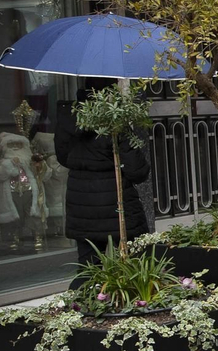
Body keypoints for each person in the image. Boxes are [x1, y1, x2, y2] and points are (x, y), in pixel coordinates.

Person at [54, 86, 151, 263]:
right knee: (133, 264)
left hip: (81, 205)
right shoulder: (115, 124)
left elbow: (63, 158)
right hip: (116, 205)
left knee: (88, 268)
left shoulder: (68, 122)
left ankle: (88, 291)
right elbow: (137, 171)